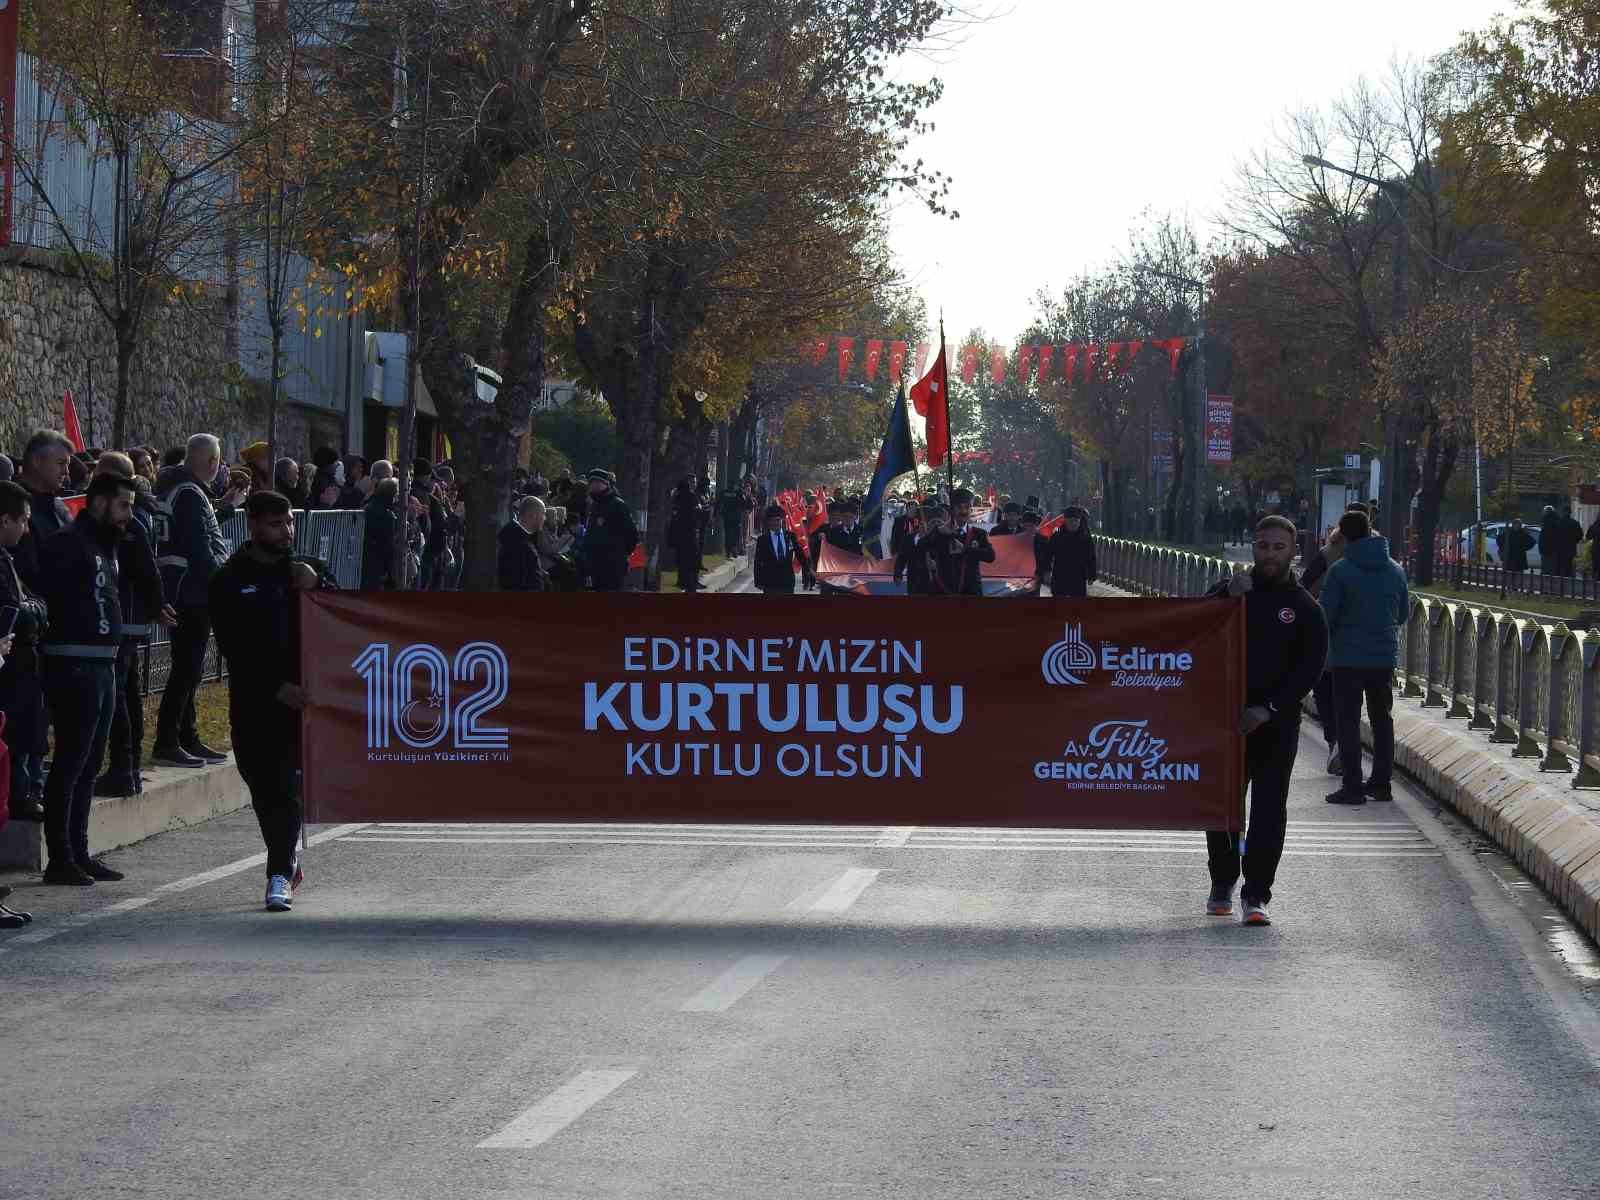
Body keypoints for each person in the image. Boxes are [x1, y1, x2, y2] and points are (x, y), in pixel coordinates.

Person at [1203, 516, 1329, 925]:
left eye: (1279, 547)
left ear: (1293, 551)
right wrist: (1225, 593)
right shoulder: (1233, 591)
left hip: (1275, 724)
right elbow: (1193, 627)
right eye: (1263, 546)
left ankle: (1256, 893)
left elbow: (1308, 669)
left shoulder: (1305, 609)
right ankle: (1222, 881)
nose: (1270, 554)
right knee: (1223, 805)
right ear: (1252, 547)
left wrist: (1269, 708)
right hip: (1227, 721)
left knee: (1269, 810)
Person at [209, 490, 319, 912]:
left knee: (286, 789)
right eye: (276, 523)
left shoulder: (302, 572)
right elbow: (234, 649)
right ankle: (286, 861)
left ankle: (278, 873)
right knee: (264, 788)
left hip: (302, 705)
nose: (286, 531)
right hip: (256, 704)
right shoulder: (229, 579)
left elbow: (343, 616)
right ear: (253, 525)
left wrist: (319, 583)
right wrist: (275, 687)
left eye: (290, 522)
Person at [37, 472, 138, 885]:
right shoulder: (66, 543)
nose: (128, 516)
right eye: (123, 506)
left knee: (90, 763)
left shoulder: (104, 546)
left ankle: (79, 850)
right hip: (73, 665)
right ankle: (59, 856)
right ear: (99, 503)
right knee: (71, 762)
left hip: (103, 665)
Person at [92, 453, 175, 798]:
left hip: (124, 620)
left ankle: (124, 767)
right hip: (127, 619)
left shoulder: (130, 523)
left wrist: (155, 606)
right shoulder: (134, 516)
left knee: (121, 696)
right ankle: (127, 767)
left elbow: (143, 569)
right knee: (125, 694)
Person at [1322, 508, 1410, 806]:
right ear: (1371, 531)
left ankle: (1352, 785)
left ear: (1343, 536)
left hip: (1346, 658)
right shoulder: (1396, 570)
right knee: (1382, 720)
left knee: (1347, 721)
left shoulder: (1340, 571)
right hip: (1383, 657)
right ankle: (1381, 783)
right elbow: (1403, 614)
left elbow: (1326, 616)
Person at [154, 434, 232, 768]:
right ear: (213, 462)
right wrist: (225, 580)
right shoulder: (190, 494)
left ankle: (187, 736)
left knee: (189, 668)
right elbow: (202, 549)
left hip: (181, 588)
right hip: (191, 592)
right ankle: (169, 739)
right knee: (187, 669)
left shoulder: (173, 488)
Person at [0, 481, 48, 822]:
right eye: (23, 520)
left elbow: (35, 604)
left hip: (23, 666)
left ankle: (25, 790)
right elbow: (16, 610)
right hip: (10, 669)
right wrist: (30, 610)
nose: (27, 528)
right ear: (5, 519)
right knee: (16, 736)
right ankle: (19, 794)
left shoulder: (8, 559)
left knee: (29, 732)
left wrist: (31, 609)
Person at [583, 469, 638, 591]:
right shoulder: (594, 505)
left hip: (613, 563)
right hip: (595, 562)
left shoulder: (618, 505)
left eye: (598, 483)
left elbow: (631, 533)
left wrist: (621, 553)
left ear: (606, 484)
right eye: (592, 483)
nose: (594, 486)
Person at [1036, 505, 1096, 597]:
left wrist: (1091, 575)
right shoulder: (1057, 536)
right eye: (1070, 521)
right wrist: (1046, 571)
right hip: (1060, 576)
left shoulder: (1085, 538)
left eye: (1075, 521)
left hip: (1078, 577)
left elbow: (1091, 557)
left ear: (1080, 522)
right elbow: (1047, 554)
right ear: (1065, 522)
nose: (1073, 523)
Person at [752, 504, 814, 593]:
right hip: (770, 583)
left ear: (782, 520)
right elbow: (758, 561)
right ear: (769, 522)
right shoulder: (763, 540)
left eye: (778, 520)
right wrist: (758, 581)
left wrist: (808, 573)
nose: (776, 523)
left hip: (787, 581)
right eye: (772, 521)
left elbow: (800, 555)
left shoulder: (790, 536)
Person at [498, 495, 547, 592]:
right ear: (532, 515)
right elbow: (516, 582)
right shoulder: (517, 543)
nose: (545, 518)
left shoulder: (520, 538)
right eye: (543, 514)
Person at [668, 477, 704, 593]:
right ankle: (690, 583)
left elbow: (674, 517)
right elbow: (698, 512)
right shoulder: (692, 498)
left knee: (682, 560)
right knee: (691, 560)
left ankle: (682, 581)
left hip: (679, 535)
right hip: (690, 534)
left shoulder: (677, 498)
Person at [720, 483, 750, 558]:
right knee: (736, 534)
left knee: (728, 534)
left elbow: (719, 502)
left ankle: (728, 551)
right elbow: (744, 504)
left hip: (727, 517)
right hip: (736, 517)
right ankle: (734, 549)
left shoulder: (724, 492)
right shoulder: (738, 494)